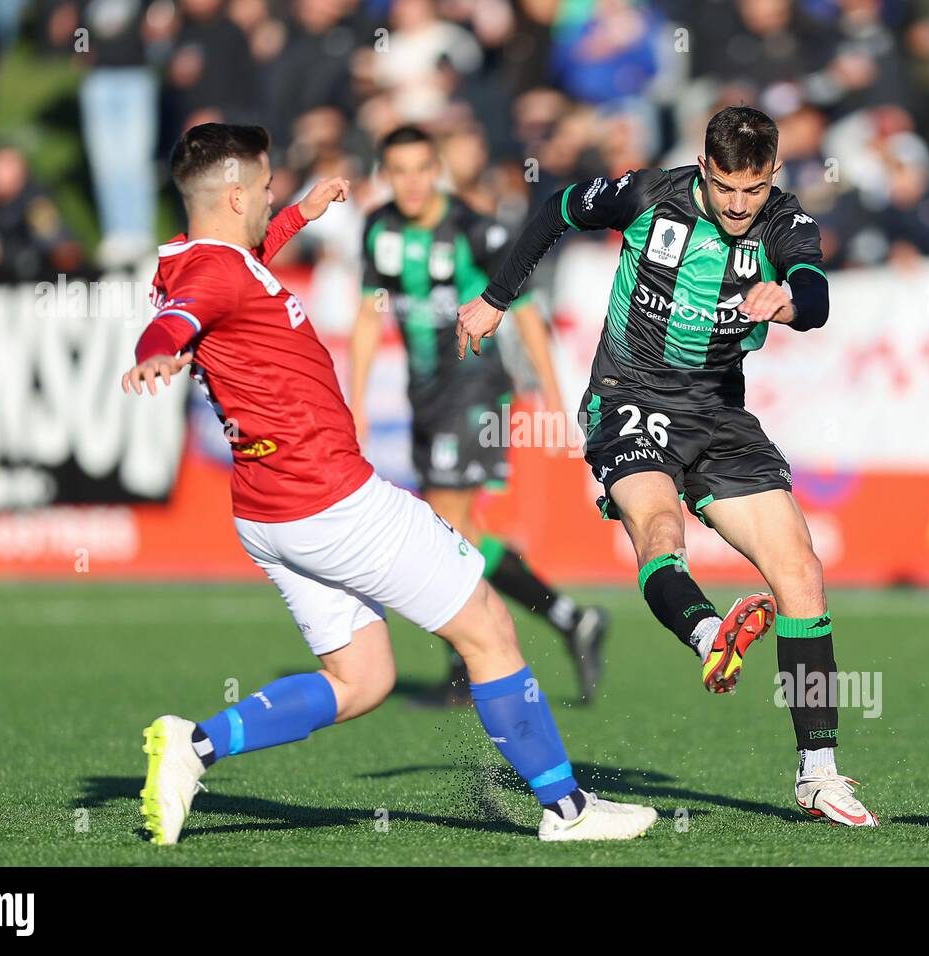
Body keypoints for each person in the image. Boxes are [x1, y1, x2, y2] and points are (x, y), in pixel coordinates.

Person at [121, 123, 656, 845]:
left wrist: (295, 217)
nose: (276, 190)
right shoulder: (212, 276)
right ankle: (568, 810)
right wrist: (154, 352)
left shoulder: (198, 258)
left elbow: (222, 278)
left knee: (361, 680)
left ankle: (195, 747)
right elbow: (178, 320)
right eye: (269, 184)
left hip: (268, 513)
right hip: (333, 500)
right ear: (236, 191)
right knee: (490, 630)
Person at [456, 106, 878, 827]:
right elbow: (555, 209)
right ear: (703, 170)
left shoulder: (784, 222)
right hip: (629, 398)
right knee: (658, 528)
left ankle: (819, 774)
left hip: (718, 413)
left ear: (771, 175)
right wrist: (496, 299)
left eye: (754, 189)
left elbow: (816, 294)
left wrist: (790, 302)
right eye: (726, 190)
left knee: (802, 573)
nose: (740, 206)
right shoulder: (648, 196)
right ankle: (712, 638)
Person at [350, 125, 608, 707]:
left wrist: (557, 400)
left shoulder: (475, 228)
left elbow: (525, 310)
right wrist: (356, 403)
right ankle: (570, 619)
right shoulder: (379, 229)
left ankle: (474, 662)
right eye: (399, 171)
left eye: (422, 168)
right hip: (426, 394)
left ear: (437, 167)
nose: (412, 182)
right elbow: (369, 317)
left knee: (446, 524)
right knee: (457, 532)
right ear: (384, 175)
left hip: (476, 386)